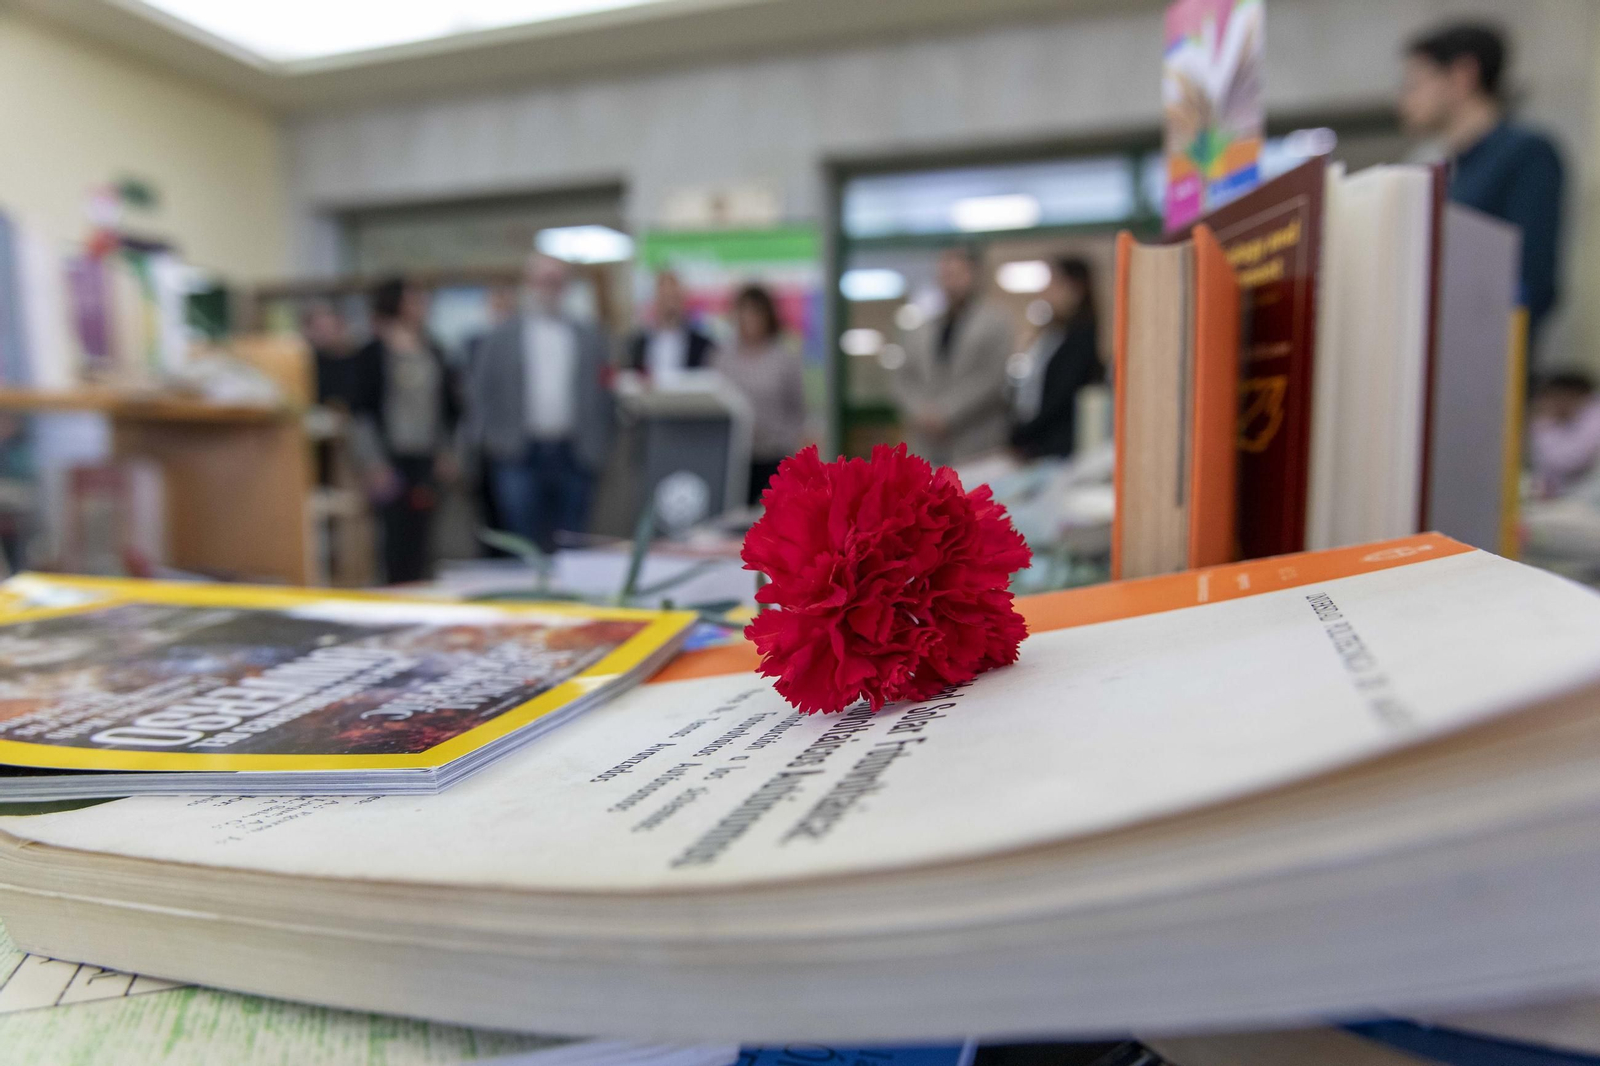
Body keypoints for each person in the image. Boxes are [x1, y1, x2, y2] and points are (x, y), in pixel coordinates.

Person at [1400, 21, 1565, 352]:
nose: (1403, 99)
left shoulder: (1525, 153)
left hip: (1486, 362)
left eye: (1415, 84)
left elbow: (1532, 278)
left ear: (1463, 76)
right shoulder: (1444, 168)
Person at [467, 253, 612, 555]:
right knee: (523, 545)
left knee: (571, 543)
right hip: (518, 454)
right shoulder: (501, 336)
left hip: (574, 454)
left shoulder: (589, 336)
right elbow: (479, 393)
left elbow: (604, 394)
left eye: (557, 280)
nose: (550, 287)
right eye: (543, 280)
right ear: (528, 283)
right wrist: (489, 441)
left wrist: (600, 445)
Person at [347, 278, 459, 584]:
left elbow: (449, 408)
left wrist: (447, 450)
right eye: (413, 299)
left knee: (425, 538)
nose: (420, 305)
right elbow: (361, 412)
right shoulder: (373, 352)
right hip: (389, 457)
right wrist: (373, 463)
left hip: (427, 455)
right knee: (393, 538)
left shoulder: (433, 348)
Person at [892, 246, 1015, 467]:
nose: (950, 281)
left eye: (958, 274)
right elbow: (903, 378)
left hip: (974, 440)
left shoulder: (996, 323)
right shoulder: (922, 327)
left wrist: (946, 414)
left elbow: (991, 378)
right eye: (946, 274)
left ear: (974, 275)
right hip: (927, 443)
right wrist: (921, 412)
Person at [714, 284, 806, 505]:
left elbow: (798, 408)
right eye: (743, 311)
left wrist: (788, 442)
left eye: (756, 311)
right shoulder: (722, 358)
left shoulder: (783, 358)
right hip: (734, 458)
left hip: (773, 456)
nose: (749, 319)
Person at [1010, 257, 1105, 460]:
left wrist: (1024, 433)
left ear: (1076, 288)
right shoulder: (1052, 334)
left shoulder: (1081, 338)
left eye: (1053, 283)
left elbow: (1060, 397)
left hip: (1060, 448)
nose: (1046, 292)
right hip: (1040, 444)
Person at [624, 270, 715, 386]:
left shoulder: (703, 345)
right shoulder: (637, 345)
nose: (669, 304)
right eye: (664, 296)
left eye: (673, 297)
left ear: (683, 299)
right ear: (655, 300)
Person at [1530, 370, 1600, 498]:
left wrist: (1545, 422)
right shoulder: (1570, 420)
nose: (1548, 403)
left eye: (1552, 397)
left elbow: (1565, 461)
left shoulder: (1594, 417)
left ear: (1569, 395)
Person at [303, 301, 358, 409]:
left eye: (328, 327)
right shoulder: (307, 364)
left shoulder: (359, 361)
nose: (325, 333)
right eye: (318, 329)